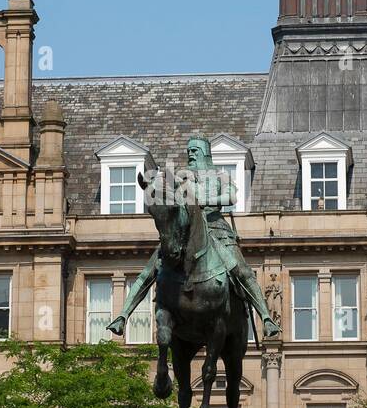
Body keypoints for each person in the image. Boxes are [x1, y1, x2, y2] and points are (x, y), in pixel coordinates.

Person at [107, 134, 281, 339]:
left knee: (242, 271)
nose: (190, 154)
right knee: (150, 270)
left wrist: (203, 199)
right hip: (185, 232)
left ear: (205, 153)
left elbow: (231, 197)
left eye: (195, 150)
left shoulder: (220, 176)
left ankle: (266, 318)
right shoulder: (179, 178)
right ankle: (122, 316)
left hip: (216, 228)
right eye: (188, 150)